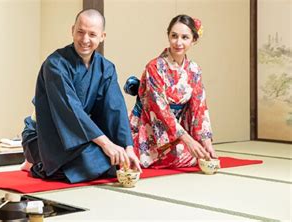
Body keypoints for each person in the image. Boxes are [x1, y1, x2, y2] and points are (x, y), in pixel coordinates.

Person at [21, 9, 142, 184]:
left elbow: (115, 109)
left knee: (116, 161)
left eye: (92, 34)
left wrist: (128, 148)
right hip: (46, 135)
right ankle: (36, 162)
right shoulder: (55, 64)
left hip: (79, 135)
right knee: (95, 161)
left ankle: (56, 161)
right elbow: (71, 111)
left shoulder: (105, 68)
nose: (85, 40)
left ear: (102, 36)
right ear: (72, 30)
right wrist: (107, 145)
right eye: (80, 32)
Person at [124, 14, 217, 169]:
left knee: (199, 152)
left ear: (193, 40)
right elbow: (161, 111)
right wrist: (188, 141)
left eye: (185, 37)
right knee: (186, 153)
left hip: (175, 131)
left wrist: (206, 143)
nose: (178, 42)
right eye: (174, 36)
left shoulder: (194, 70)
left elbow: (199, 108)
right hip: (149, 126)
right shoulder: (154, 67)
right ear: (168, 36)